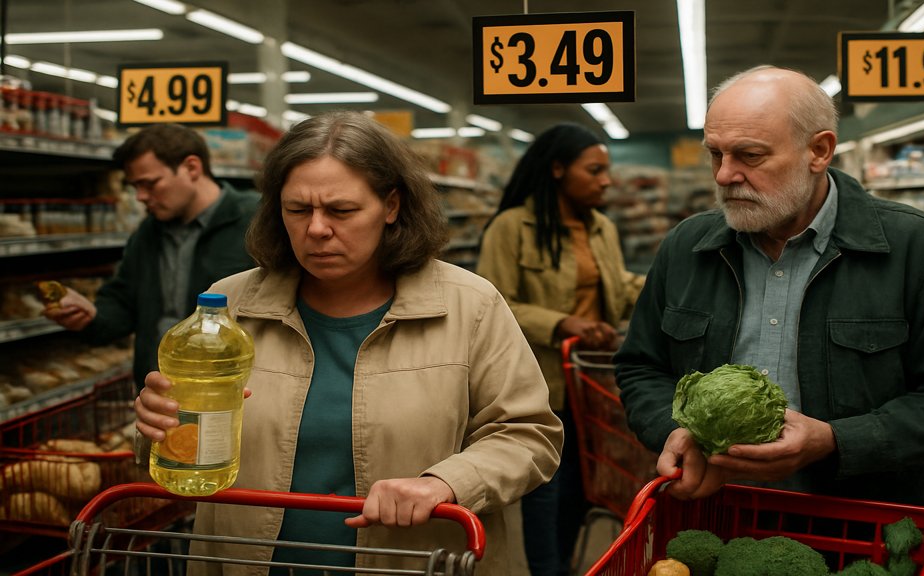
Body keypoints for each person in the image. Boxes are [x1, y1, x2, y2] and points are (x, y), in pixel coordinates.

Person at [134, 110, 563, 575]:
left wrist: (447, 482)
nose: (316, 229)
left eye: (341, 210)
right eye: (297, 210)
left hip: (413, 562)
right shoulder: (233, 305)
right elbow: (183, 448)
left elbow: (529, 435)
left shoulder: (468, 306)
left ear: (392, 206)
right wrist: (157, 426)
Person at [614, 65, 924, 512]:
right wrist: (671, 429)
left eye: (749, 156)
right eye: (716, 154)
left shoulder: (919, 249)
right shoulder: (686, 248)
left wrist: (837, 440)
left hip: (863, 524)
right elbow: (641, 368)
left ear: (819, 151)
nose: (724, 175)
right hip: (716, 515)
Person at [476, 123, 644, 576]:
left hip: (592, 390)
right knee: (543, 494)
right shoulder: (512, 228)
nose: (606, 180)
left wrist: (668, 286)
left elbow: (622, 288)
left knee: (585, 490)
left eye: (606, 170)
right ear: (556, 169)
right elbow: (494, 302)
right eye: (594, 170)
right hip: (538, 385)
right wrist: (561, 323)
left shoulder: (602, 228)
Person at [42, 123, 259, 389]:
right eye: (135, 186)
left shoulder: (255, 221)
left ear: (192, 168)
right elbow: (124, 303)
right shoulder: (149, 232)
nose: (141, 197)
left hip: (228, 390)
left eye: (150, 184)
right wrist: (92, 317)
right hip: (158, 391)